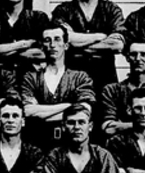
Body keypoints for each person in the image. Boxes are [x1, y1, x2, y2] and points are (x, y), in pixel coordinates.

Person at [51, 0, 125, 98]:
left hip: (105, 78)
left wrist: (75, 44)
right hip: (72, 78)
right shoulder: (64, 10)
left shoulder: (111, 10)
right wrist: (101, 36)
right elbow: (62, 40)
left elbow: (117, 44)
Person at [20, 22, 95, 150]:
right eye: (47, 40)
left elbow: (84, 111)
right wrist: (69, 106)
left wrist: (41, 114)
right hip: (37, 144)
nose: (52, 45)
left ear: (66, 45)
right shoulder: (31, 78)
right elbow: (27, 112)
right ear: (42, 46)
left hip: (71, 145)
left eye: (57, 39)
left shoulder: (80, 77)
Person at [101, 42, 145, 139]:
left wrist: (122, 125)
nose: (138, 59)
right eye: (134, 54)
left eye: (144, 54)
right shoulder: (112, 90)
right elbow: (109, 128)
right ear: (127, 58)